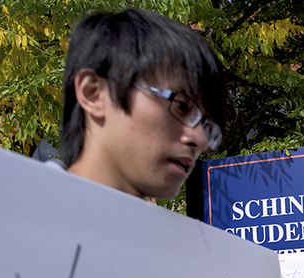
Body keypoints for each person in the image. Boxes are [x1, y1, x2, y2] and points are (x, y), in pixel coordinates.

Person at [59, 8, 227, 199]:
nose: (200, 140)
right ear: (93, 93)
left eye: (207, 127)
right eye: (182, 106)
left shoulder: (179, 230)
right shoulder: (26, 214)